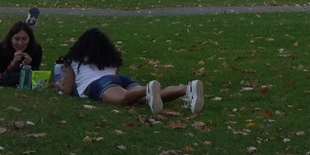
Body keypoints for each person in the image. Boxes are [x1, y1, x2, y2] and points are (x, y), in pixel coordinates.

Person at [52, 28, 204, 114]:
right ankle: (186, 88)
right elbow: (116, 76)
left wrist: (59, 85)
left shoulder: (74, 59)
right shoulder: (109, 59)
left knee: (124, 99)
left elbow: (67, 90)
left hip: (98, 84)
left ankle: (147, 88)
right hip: (120, 79)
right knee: (144, 99)